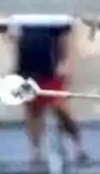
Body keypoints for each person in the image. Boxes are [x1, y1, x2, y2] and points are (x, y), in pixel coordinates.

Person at [6, 14, 93, 167]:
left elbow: (67, 39)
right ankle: (36, 153)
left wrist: (67, 62)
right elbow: (15, 40)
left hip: (51, 70)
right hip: (27, 70)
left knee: (61, 109)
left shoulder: (56, 14)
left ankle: (79, 148)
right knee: (33, 111)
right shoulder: (20, 14)